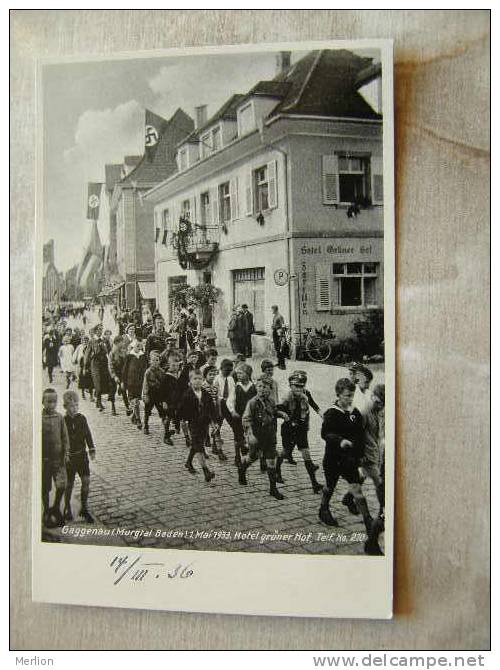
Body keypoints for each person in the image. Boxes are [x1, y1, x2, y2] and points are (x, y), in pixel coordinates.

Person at [318, 378, 373, 535]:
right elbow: (325, 433)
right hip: (333, 459)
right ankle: (323, 509)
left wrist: (361, 455)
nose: (350, 399)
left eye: (352, 395)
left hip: (349, 460)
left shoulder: (354, 413)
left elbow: (360, 435)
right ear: (338, 395)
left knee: (357, 488)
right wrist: (340, 440)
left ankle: (368, 520)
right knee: (330, 486)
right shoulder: (331, 413)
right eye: (347, 395)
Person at [238, 375, 289, 499]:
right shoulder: (252, 403)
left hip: (270, 435)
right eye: (259, 386)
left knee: (271, 460)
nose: (261, 389)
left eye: (265, 387)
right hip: (257, 436)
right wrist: (250, 435)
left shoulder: (271, 401)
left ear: (269, 389)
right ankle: (242, 469)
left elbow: (273, 412)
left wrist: (281, 414)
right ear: (256, 387)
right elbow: (246, 419)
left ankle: (273, 489)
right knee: (252, 457)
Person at [277, 373, 322, 493]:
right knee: (285, 451)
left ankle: (314, 483)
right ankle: (277, 470)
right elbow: (277, 409)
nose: (299, 389)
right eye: (296, 386)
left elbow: (312, 404)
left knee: (306, 455)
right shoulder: (286, 397)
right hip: (289, 430)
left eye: (301, 386)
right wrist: (283, 414)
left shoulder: (306, 394)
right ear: (290, 386)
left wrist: (320, 413)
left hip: (301, 430)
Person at [62, 390, 96, 523]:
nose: (74, 408)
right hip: (69, 458)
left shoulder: (82, 418)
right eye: (71, 405)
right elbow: (60, 439)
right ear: (65, 407)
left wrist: (92, 449)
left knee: (86, 481)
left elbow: (88, 434)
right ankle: (67, 508)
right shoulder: (63, 421)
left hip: (82, 456)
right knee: (69, 484)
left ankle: (84, 508)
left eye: (76, 405)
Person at [180, 369, 216, 481]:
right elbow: (183, 411)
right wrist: (183, 422)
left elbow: (211, 409)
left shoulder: (206, 394)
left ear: (203, 380)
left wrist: (213, 422)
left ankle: (188, 462)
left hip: (204, 424)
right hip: (193, 424)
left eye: (200, 379)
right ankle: (206, 471)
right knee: (199, 447)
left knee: (197, 444)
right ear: (190, 381)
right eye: (195, 379)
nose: (197, 381)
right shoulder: (187, 395)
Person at [42, 388, 69, 527]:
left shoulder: (59, 418)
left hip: (58, 460)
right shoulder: (40, 418)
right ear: (43, 402)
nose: (52, 405)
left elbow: (65, 437)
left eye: (54, 402)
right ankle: (46, 511)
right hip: (44, 461)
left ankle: (56, 507)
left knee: (62, 485)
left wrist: (66, 453)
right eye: (49, 402)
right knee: (45, 488)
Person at [227, 363, 256, 467]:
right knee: (238, 435)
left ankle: (249, 455)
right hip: (238, 415)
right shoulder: (236, 387)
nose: (238, 375)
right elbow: (230, 400)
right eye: (237, 373)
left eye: (241, 373)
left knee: (251, 434)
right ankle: (237, 456)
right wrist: (232, 411)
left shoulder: (254, 387)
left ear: (248, 374)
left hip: (250, 416)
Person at [84, 324, 111, 411]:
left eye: (101, 329)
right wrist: (85, 366)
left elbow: (108, 351)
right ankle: (99, 403)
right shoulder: (92, 341)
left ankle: (98, 401)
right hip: (94, 363)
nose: (101, 331)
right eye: (99, 329)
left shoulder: (104, 340)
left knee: (102, 383)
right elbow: (87, 354)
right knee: (97, 383)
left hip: (103, 364)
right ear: (96, 331)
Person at [122, 338, 147, 429]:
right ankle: (138, 419)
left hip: (140, 382)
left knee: (137, 401)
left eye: (140, 346)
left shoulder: (143, 356)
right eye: (137, 346)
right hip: (131, 382)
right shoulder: (129, 356)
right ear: (133, 346)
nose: (139, 347)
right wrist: (123, 382)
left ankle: (134, 416)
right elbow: (124, 371)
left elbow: (146, 368)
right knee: (135, 401)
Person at [203, 365, 226, 461]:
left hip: (214, 412)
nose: (212, 376)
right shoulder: (203, 386)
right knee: (204, 432)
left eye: (214, 374)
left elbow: (217, 400)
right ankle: (203, 451)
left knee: (216, 430)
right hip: (204, 412)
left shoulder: (216, 387)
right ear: (205, 376)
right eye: (210, 374)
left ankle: (219, 451)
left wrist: (219, 411)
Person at [142, 350, 167, 436]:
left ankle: (166, 428)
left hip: (159, 394)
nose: (155, 362)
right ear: (150, 361)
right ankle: (145, 425)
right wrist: (145, 395)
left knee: (162, 411)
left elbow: (164, 384)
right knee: (147, 410)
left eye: (157, 360)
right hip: (151, 393)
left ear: (159, 361)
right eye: (153, 360)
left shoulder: (162, 372)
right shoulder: (148, 372)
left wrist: (164, 397)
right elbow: (145, 384)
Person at [108, 335, 130, 416]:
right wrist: (114, 376)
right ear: (117, 343)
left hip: (122, 373)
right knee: (112, 390)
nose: (123, 343)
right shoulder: (112, 353)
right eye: (121, 342)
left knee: (124, 390)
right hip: (114, 374)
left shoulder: (124, 352)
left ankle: (127, 407)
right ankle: (113, 407)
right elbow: (110, 366)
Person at [271, 305, 286, 369]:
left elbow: (282, 326)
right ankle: (279, 362)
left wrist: (281, 335)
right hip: (275, 332)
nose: (272, 311)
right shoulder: (275, 316)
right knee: (277, 348)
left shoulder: (279, 316)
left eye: (272, 309)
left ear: (275, 309)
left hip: (278, 333)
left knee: (280, 349)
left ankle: (282, 365)